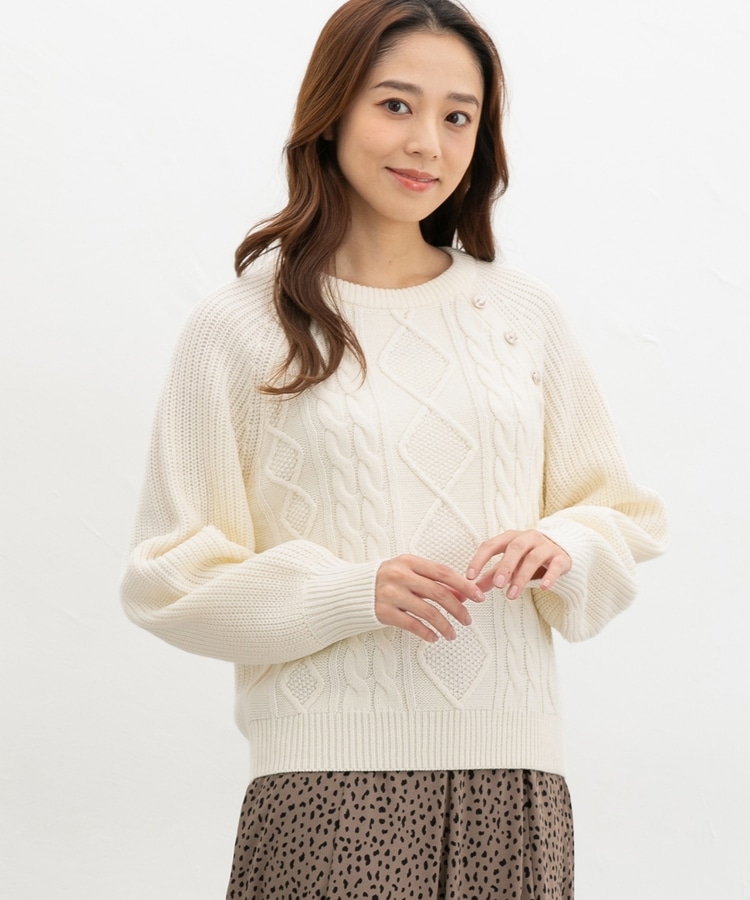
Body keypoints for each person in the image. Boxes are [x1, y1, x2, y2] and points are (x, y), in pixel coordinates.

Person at [121, 0, 668, 897]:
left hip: (513, 777)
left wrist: (565, 543)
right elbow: (167, 578)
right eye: (396, 105)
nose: (427, 143)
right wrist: (347, 593)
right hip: (324, 786)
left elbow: (624, 515)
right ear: (332, 110)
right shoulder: (242, 328)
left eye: (458, 116)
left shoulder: (519, 315)